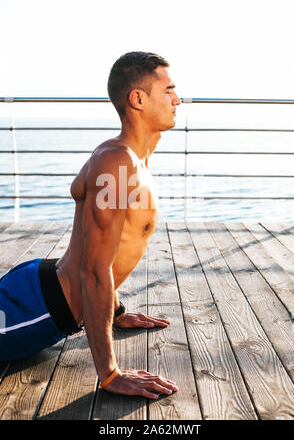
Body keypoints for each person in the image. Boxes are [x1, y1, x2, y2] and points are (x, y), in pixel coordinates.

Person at [0, 51, 181, 399]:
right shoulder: (117, 162)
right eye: (168, 90)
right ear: (138, 99)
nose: (177, 99)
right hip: (35, 308)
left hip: (41, 284)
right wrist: (110, 374)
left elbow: (108, 249)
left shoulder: (131, 158)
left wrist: (116, 309)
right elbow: (94, 269)